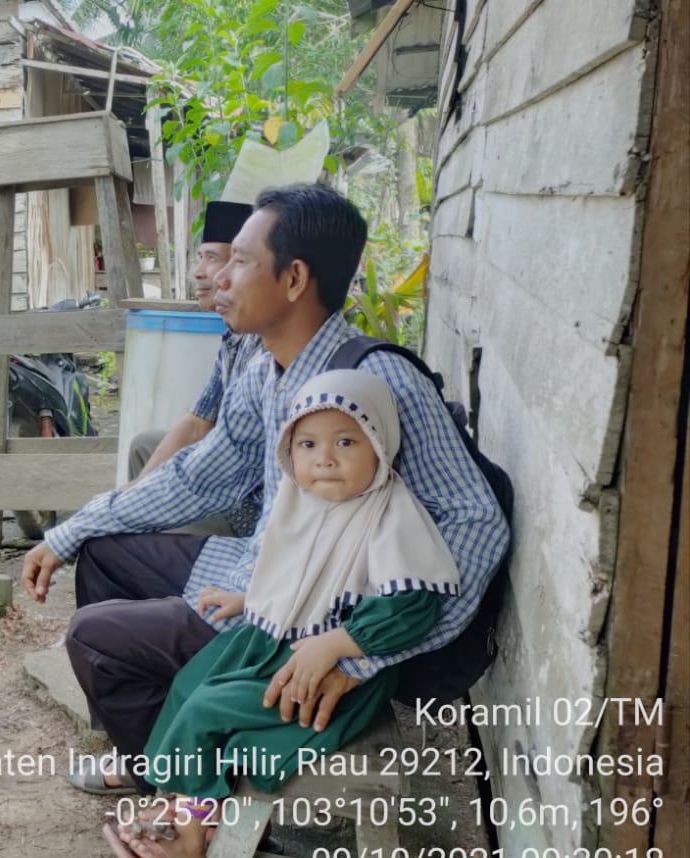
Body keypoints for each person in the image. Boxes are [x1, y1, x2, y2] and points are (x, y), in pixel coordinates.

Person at [27, 184, 507, 795]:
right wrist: (73, 530)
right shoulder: (264, 369)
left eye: (241, 261)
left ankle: (184, 775)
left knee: (94, 636)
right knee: (103, 552)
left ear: (294, 278)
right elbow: (199, 474)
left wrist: (359, 656)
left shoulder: (377, 379)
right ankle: (153, 751)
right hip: (264, 573)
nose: (219, 277)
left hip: (314, 617)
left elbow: (477, 520)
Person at [101, 369, 457, 858]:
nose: (325, 458)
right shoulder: (303, 503)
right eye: (308, 443)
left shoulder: (390, 515)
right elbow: (302, 577)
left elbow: (412, 605)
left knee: (209, 713)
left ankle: (192, 844)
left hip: (328, 668)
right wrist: (253, 599)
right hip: (276, 641)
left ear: (381, 444)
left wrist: (338, 643)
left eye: (346, 441)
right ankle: (176, 806)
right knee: (188, 686)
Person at [119, 201, 261, 544]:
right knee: (144, 446)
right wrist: (132, 492)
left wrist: (140, 496)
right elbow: (198, 421)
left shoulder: (265, 345)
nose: (198, 272)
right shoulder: (233, 338)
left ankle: (162, 563)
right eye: (200, 258)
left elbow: (217, 449)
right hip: (223, 476)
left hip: (247, 511)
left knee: (130, 524)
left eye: (212, 258)